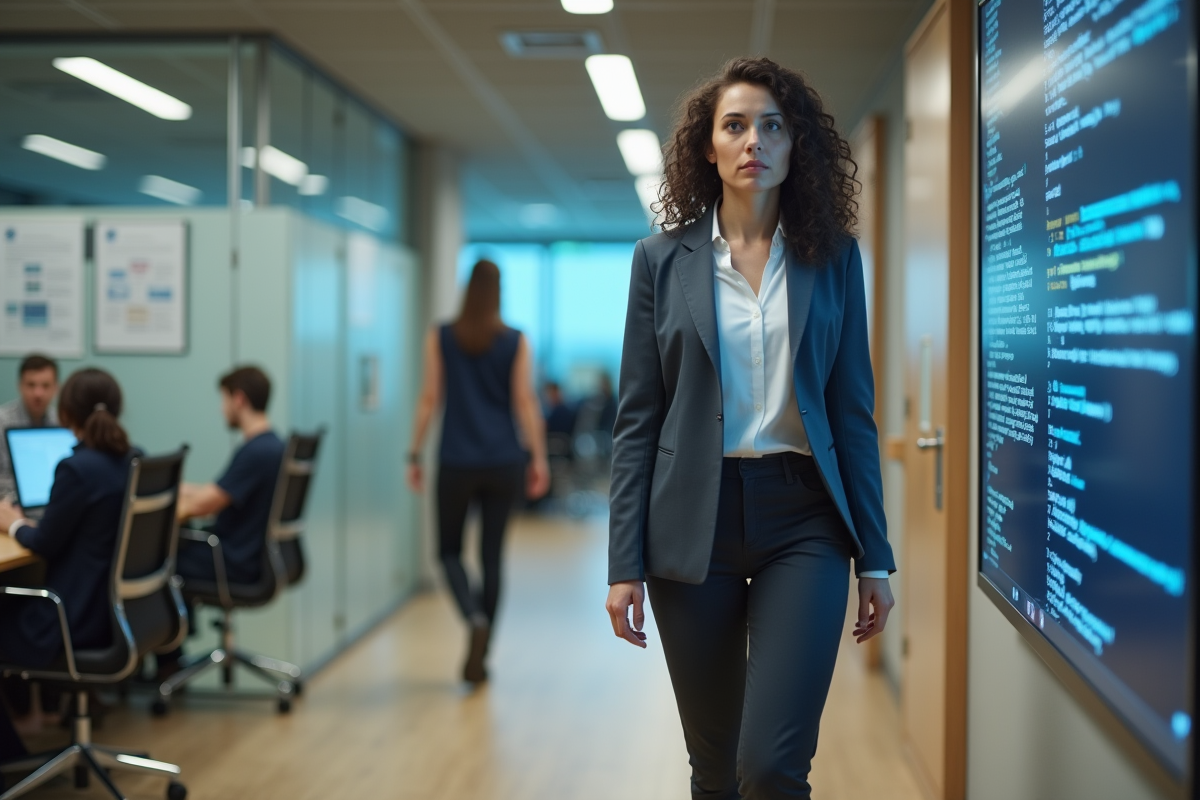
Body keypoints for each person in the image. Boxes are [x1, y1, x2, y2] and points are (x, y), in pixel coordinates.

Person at [604, 57, 896, 800]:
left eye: (772, 126)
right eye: (734, 125)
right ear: (708, 146)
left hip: (805, 518)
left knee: (770, 766)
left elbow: (852, 413)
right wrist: (621, 563)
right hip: (689, 523)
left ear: (797, 146)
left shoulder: (833, 261)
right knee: (714, 768)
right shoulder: (660, 263)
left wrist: (878, 559)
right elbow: (637, 421)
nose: (753, 141)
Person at [407, 259, 550, 684]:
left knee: (448, 551)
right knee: (492, 558)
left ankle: (472, 618)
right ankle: (483, 653)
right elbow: (525, 402)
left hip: (456, 461)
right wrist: (538, 458)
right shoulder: (515, 340)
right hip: (504, 460)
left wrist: (413, 453)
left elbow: (430, 398)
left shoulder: (442, 336)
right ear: (499, 291)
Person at [0, 368, 135, 668]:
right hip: (115, 613)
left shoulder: (76, 468)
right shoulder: (133, 459)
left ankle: (24, 716)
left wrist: (14, 523)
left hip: (69, 616)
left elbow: (44, 543)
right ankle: (41, 711)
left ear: (66, 412)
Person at [0, 355, 60, 500]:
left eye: (45, 386)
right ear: (20, 386)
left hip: (52, 502)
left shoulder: (62, 422)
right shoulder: (2, 422)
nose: (38, 393)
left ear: (56, 388)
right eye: (31, 385)